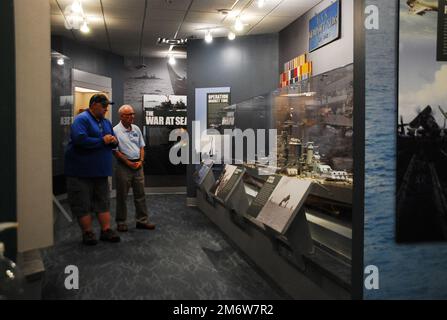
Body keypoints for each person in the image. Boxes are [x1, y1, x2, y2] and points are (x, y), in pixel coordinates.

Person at [65, 94, 121, 245]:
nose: (106, 108)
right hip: (80, 172)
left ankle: (106, 230)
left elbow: (114, 142)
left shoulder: (106, 122)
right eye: (103, 105)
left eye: (107, 106)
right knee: (82, 204)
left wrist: (114, 141)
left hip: (101, 172)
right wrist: (102, 140)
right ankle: (88, 233)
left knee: (103, 202)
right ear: (94, 104)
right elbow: (80, 140)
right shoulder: (81, 119)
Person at [113, 105, 156, 232]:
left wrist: (141, 161)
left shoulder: (136, 128)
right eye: (128, 114)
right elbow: (115, 151)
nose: (132, 116)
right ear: (121, 116)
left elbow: (141, 146)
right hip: (123, 167)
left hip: (138, 166)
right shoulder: (115, 130)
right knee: (122, 196)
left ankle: (142, 221)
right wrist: (128, 163)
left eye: (132, 114)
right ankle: (121, 222)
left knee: (140, 195)